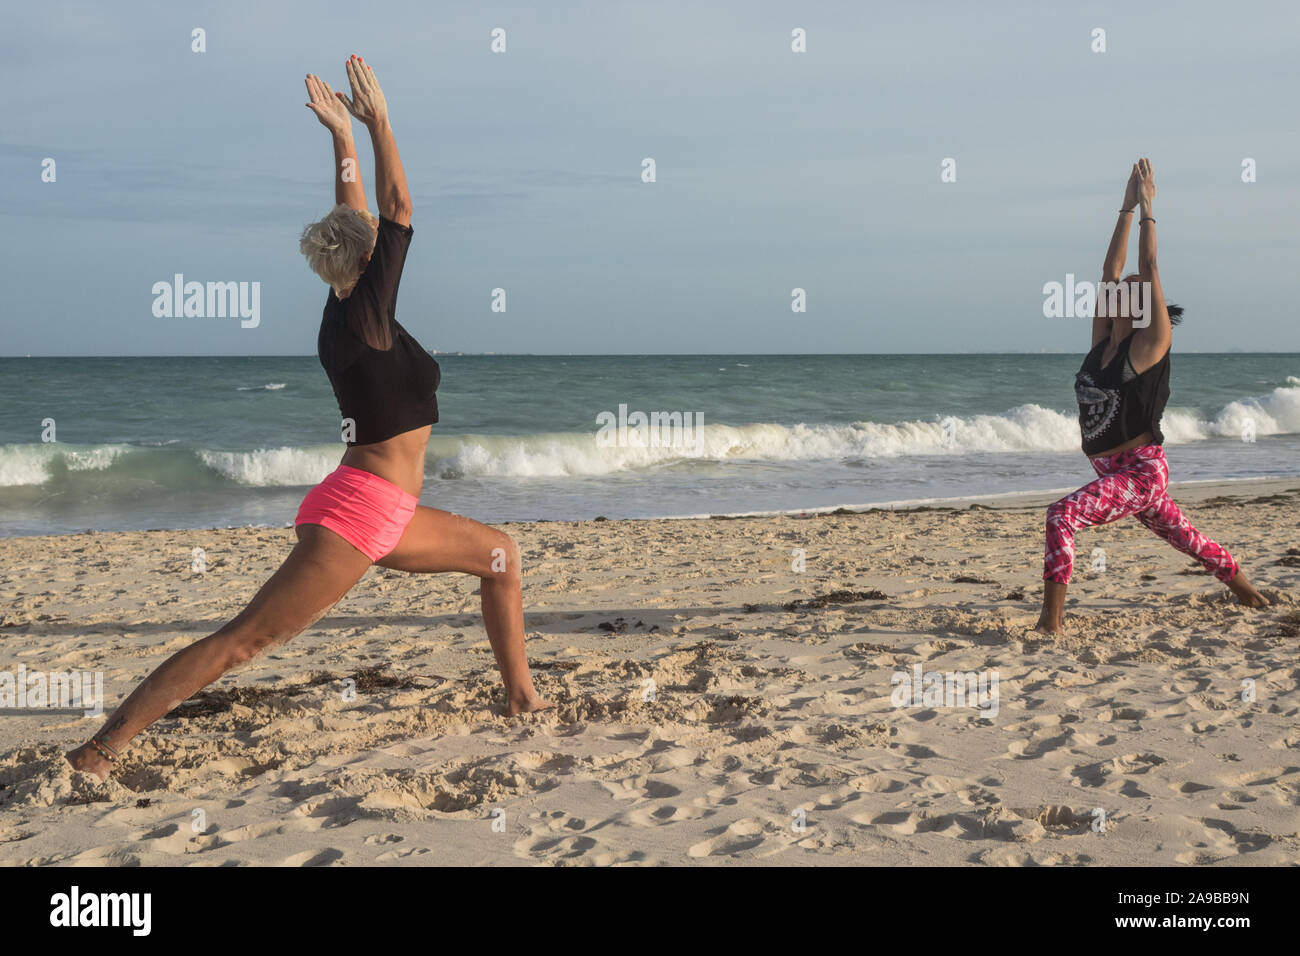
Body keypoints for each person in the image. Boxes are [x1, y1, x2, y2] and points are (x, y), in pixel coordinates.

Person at [67, 56, 550, 781]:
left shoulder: (343, 300)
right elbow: (397, 210)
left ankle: (522, 700)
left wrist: (339, 136)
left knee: (501, 558)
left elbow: (357, 213)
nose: (379, 241)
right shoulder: (363, 315)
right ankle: (99, 751)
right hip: (361, 515)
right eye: (373, 243)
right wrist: (380, 121)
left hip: (383, 508)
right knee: (243, 642)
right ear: (368, 261)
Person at [1035, 159, 1269, 633]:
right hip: (1114, 471)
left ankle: (1051, 623)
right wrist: (1123, 206)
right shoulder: (1104, 343)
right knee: (1187, 538)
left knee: (1062, 515)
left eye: (1135, 288)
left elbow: (1148, 265)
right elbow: (1110, 268)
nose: (1124, 287)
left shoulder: (1147, 347)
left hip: (1141, 470)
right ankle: (1250, 594)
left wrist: (1147, 209)